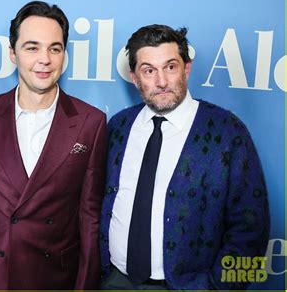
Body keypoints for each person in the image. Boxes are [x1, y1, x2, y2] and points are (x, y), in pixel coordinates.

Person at [99, 24, 270, 290]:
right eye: (149, 71)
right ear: (135, 78)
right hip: (114, 281)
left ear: (186, 69)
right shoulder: (119, 126)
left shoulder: (226, 132)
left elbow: (250, 228)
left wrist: (216, 288)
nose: (162, 81)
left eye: (170, 67)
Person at [0, 0, 107, 289]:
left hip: (54, 276)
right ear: (12, 54)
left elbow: (89, 216)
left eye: (54, 48)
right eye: (32, 47)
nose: (45, 59)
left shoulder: (90, 122)